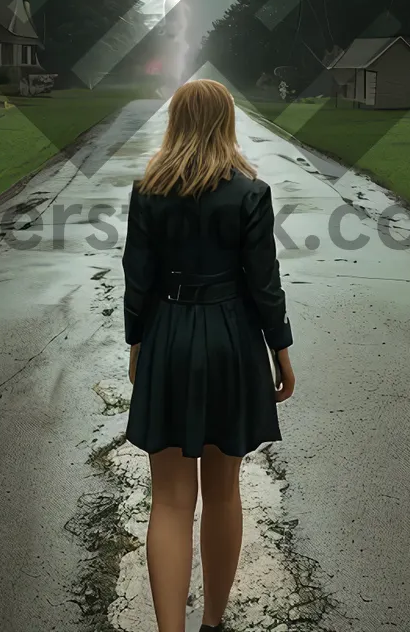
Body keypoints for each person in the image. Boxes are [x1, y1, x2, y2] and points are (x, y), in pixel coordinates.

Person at [123, 79, 295, 632]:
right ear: (227, 121)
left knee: (170, 500)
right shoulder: (250, 191)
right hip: (231, 339)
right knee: (223, 493)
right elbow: (264, 283)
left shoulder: (148, 190)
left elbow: (137, 278)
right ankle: (212, 625)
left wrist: (138, 343)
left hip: (168, 333)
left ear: (174, 121)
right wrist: (281, 351)